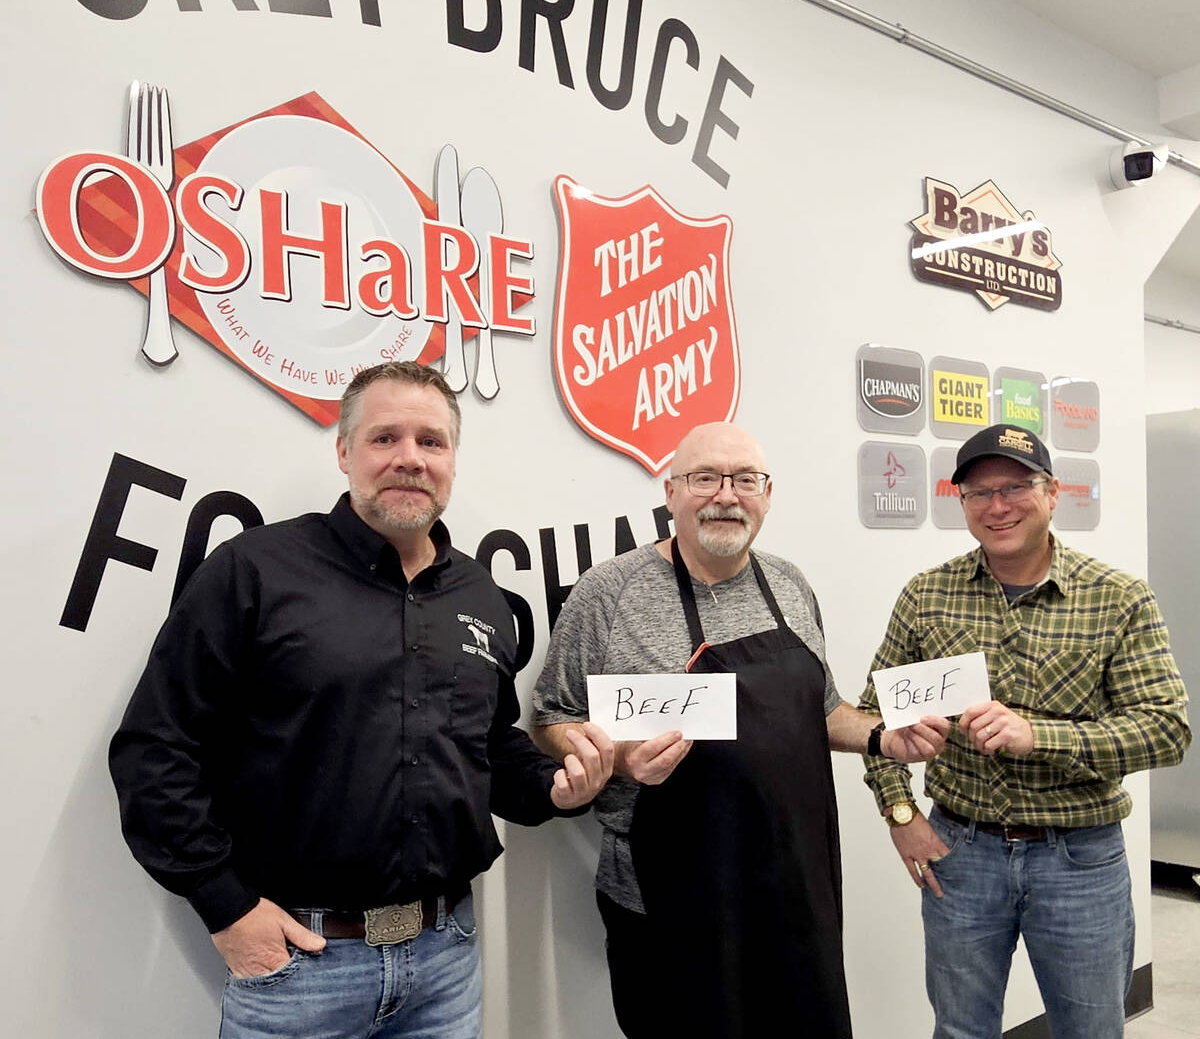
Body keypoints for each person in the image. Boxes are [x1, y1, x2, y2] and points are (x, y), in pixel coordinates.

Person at [109, 361, 612, 1039]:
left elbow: (488, 745)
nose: (410, 458)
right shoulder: (255, 570)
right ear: (344, 451)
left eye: (431, 441)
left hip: (446, 962)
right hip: (299, 968)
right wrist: (224, 905)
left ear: (452, 461)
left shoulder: (478, 595)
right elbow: (155, 747)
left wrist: (560, 785)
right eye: (385, 438)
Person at [531, 420, 949, 1039]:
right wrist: (617, 759)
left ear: (767, 494)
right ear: (671, 493)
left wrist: (880, 736)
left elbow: (822, 709)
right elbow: (551, 718)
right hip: (669, 900)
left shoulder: (789, 584)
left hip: (793, 885)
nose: (726, 495)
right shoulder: (608, 592)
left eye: (744, 480)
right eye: (705, 478)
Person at [859, 423, 1191, 1039]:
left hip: (1081, 860)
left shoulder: (1117, 598)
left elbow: (1167, 730)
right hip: (958, 853)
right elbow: (876, 720)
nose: (998, 506)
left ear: (1053, 492)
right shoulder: (927, 595)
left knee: (1090, 1031)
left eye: (1015, 486)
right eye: (978, 493)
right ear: (962, 502)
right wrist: (901, 814)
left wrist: (1041, 736)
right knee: (960, 1029)